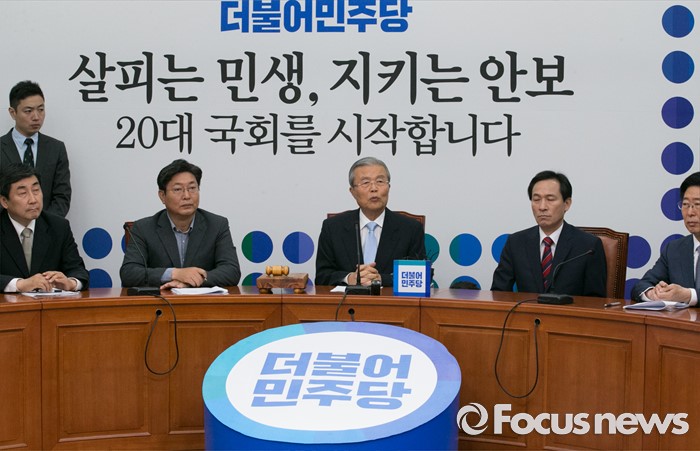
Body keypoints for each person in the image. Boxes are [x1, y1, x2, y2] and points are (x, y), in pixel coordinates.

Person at [120, 159, 241, 289]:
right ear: (162, 196)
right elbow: (129, 273)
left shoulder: (217, 225)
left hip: (203, 301)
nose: (187, 196)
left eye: (192, 188)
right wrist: (175, 273)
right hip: (161, 300)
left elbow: (232, 271)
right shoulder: (143, 228)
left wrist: (194, 279)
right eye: (178, 189)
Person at [491, 170, 607, 297]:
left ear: (567, 204)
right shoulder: (516, 243)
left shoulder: (588, 246)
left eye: (550, 199)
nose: (542, 207)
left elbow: (595, 301)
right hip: (526, 310)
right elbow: (498, 293)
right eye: (536, 199)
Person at [315, 156, 425, 287]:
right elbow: (322, 276)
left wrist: (380, 279)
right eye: (365, 182)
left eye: (380, 181)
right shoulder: (333, 227)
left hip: (391, 300)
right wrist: (349, 278)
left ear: (388, 187)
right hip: (346, 300)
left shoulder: (410, 228)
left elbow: (421, 276)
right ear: (353, 192)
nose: (374, 188)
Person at [0, 164, 88, 292]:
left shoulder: (58, 226)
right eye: (23, 193)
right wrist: (19, 284)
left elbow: (78, 270)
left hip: (48, 303)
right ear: (4, 201)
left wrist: (71, 283)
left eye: (36, 190)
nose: (33, 200)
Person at [0, 81, 71, 217]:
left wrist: (42, 225)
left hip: (47, 227)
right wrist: (15, 225)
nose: (36, 117)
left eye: (41, 109)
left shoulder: (56, 149)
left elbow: (62, 197)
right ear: (13, 113)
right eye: (28, 111)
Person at [632, 172, 700, 305]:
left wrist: (688, 295)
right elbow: (641, 285)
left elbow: (686, 295)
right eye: (685, 204)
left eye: (697, 204)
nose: (690, 212)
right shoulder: (674, 249)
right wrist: (653, 293)